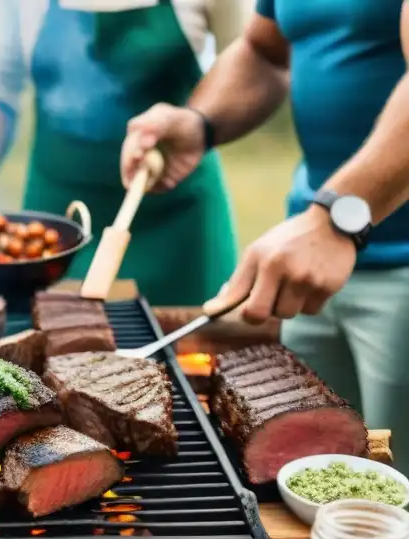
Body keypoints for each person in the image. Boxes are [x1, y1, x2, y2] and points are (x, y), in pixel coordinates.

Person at [121, 1, 409, 470]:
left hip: (385, 259)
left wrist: (338, 217)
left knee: (400, 494)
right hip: (316, 258)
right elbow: (265, 51)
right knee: (317, 475)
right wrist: (200, 121)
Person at [0, 0, 248, 306]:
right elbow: (0, 77)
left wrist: (197, 124)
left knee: (198, 347)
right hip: (56, 225)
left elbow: (248, 61)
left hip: (178, 216)